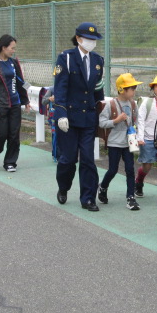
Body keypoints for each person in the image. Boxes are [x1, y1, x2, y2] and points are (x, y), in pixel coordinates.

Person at [53, 22, 105, 212]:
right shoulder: (66, 58)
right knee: (68, 159)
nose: (92, 42)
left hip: (88, 118)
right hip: (68, 117)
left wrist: (101, 112)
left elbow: (98, 91)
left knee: (88, 160)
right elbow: (60, 89)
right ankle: (63, 187)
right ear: (78, 39)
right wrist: (61, 114)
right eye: (88, 39)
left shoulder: (98, 60)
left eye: (94, 39)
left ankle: (88, 198)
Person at [0, 34, 31, 173]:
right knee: (1, 134)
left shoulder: (13, 63)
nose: (14, 51)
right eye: (12, 48)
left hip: (15, 104)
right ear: (3, 47)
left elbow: (20, 81)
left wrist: (25, 100)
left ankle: (10, 162)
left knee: (14, 135)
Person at [97, 73, 143, 211]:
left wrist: (139, 136)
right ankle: (103, 187)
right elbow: (101, 122)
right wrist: (116, 121)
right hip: (114, 143)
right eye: (132, 89)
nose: (134, 91)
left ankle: (131, 197)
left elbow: (137, 121)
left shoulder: (133, 104)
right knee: (113, 169)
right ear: (122, 90)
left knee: (130, 169)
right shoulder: (110, 104)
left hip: (129, 143)